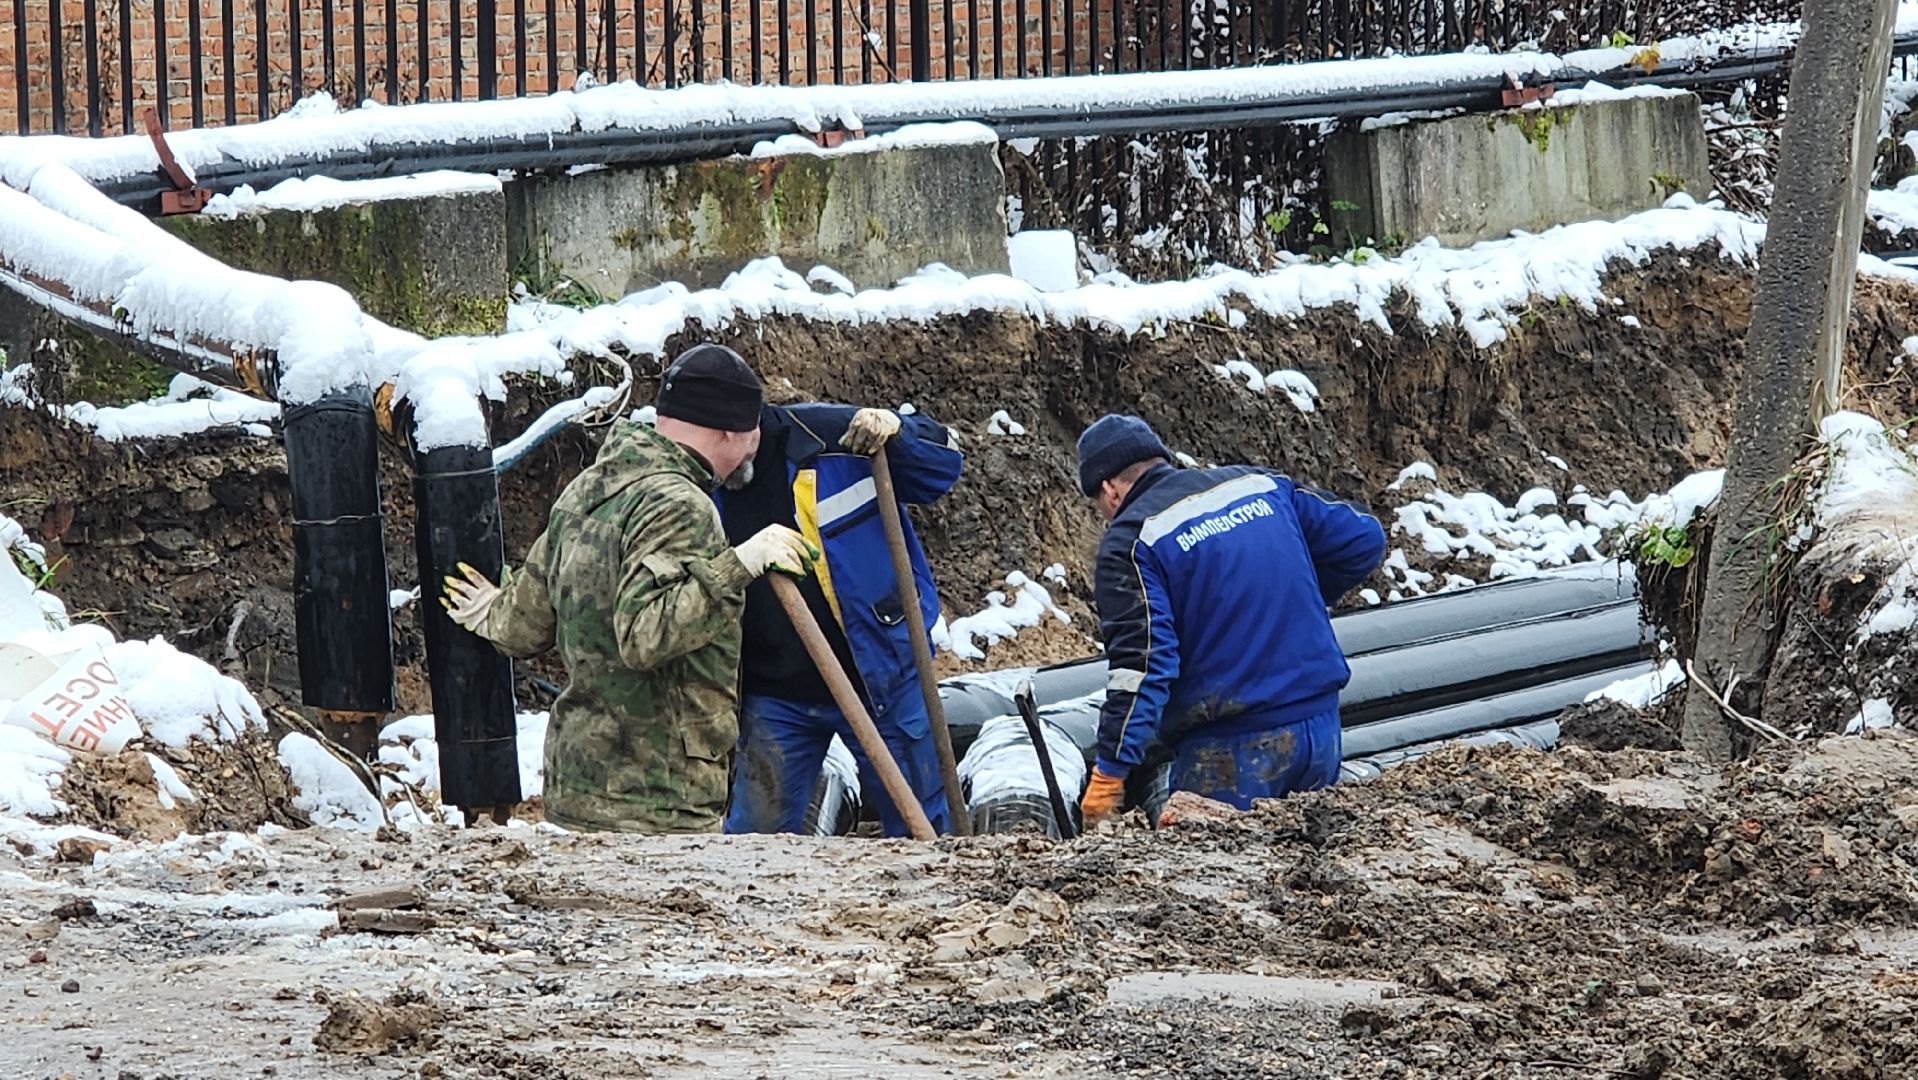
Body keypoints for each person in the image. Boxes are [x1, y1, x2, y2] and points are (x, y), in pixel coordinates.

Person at [440, 344, 816, 834]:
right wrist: (737, 565)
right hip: (660, 800)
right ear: (730, 431)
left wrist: (490, 610)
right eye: (752, 435)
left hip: (577, 786)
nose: (754, 448)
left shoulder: (588, 488)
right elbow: (646, 638)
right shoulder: (683, 505)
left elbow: (521, 630)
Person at [1072, 414, 1386, 824]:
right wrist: (1292, 597)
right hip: (1319, 728)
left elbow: (1143, 666)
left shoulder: (1132, 541)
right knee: (1307, 874)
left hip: (1230, 749)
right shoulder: (1257, 485)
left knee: (1217, 881)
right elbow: (1364, 538)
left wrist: (1111, 771)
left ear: (1109, 489)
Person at [717, 399, 964, 837]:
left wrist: (900, 434)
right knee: (754, 841)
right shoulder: (700, 477)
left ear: (744, 429)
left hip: (882, 681)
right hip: (776, 695)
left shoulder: (830, 439)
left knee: (923, 833)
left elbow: (940, 469)